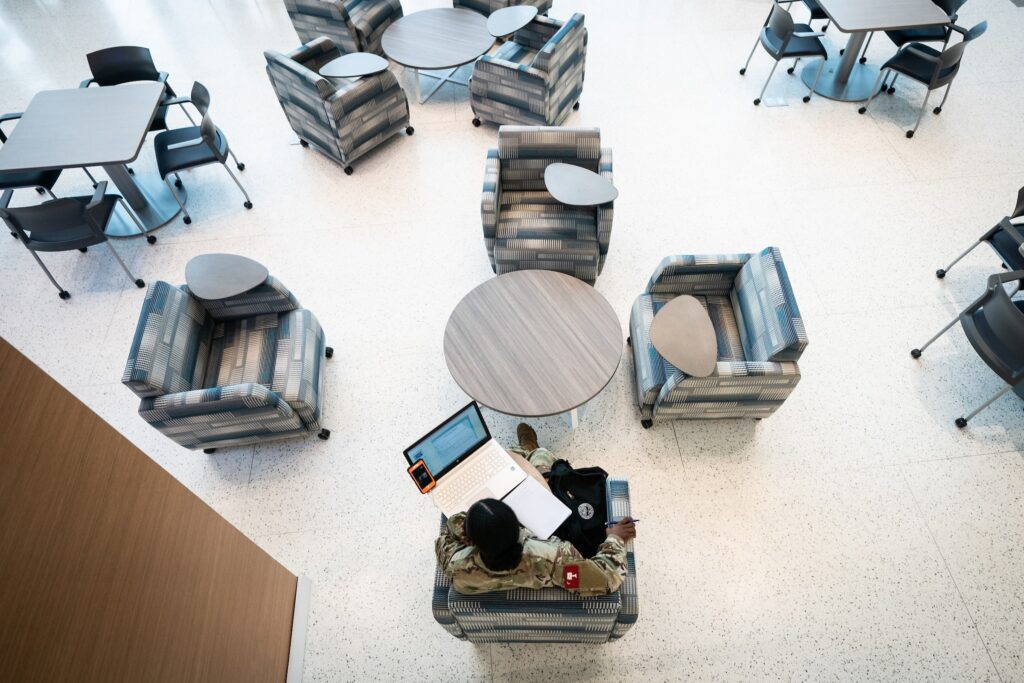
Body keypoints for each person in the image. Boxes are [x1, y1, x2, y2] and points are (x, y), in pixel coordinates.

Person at [435, 423, 636, 596]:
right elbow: (607, 577)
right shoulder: (551, 557)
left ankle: (524, 450)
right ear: (519, 529)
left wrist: (467, 525)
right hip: (546, 534)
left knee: (514, 462)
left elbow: (444, 539)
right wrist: (615, 538)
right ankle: (531, 450)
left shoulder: (457, 568)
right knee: (541, 457)